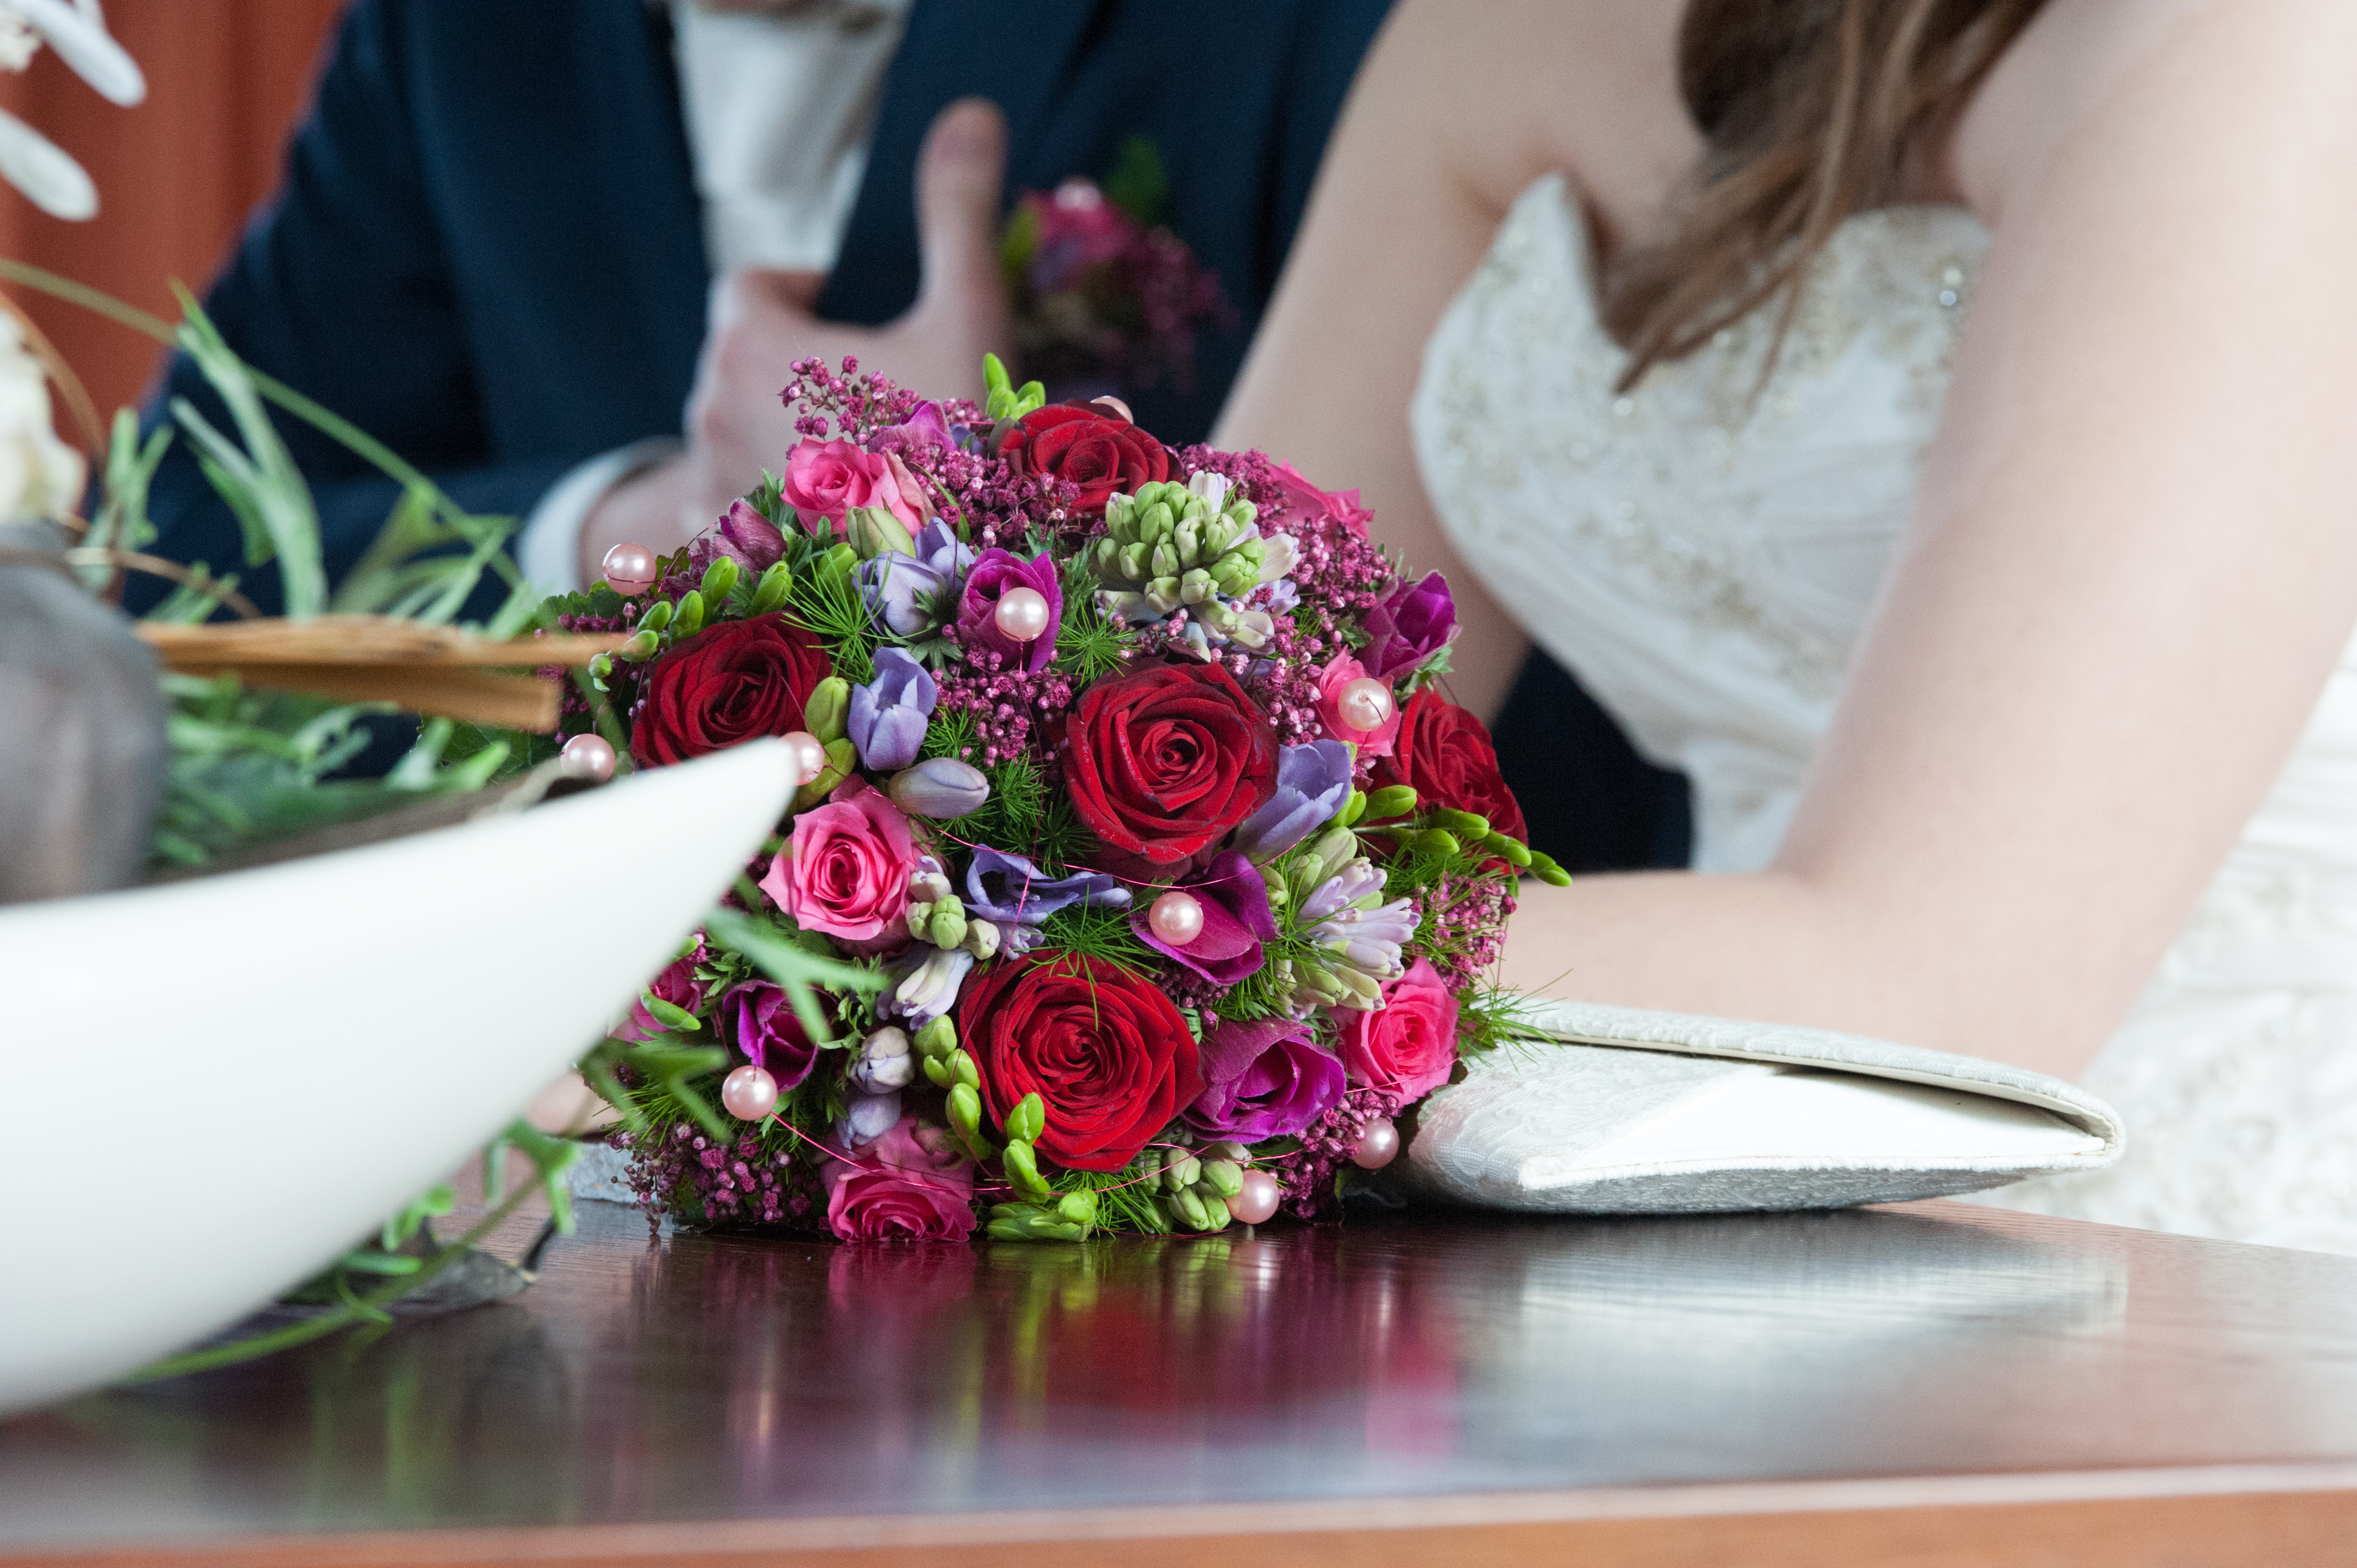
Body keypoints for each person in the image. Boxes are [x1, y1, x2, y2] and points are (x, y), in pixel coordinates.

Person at [1218, 0, 2357, 1251]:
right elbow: (1237, 703)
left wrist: (1131, 957)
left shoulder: (2261, 46)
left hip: (2176, 1260)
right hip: (1712, 1185)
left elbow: (1941, 989)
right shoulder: (1479, 35)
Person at [128, 0, 1686, 872]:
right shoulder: (456, 41)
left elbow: (1511, 693)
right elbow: (162, 566)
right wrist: (633, 519)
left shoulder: (1315, 32)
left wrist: (981, 526)